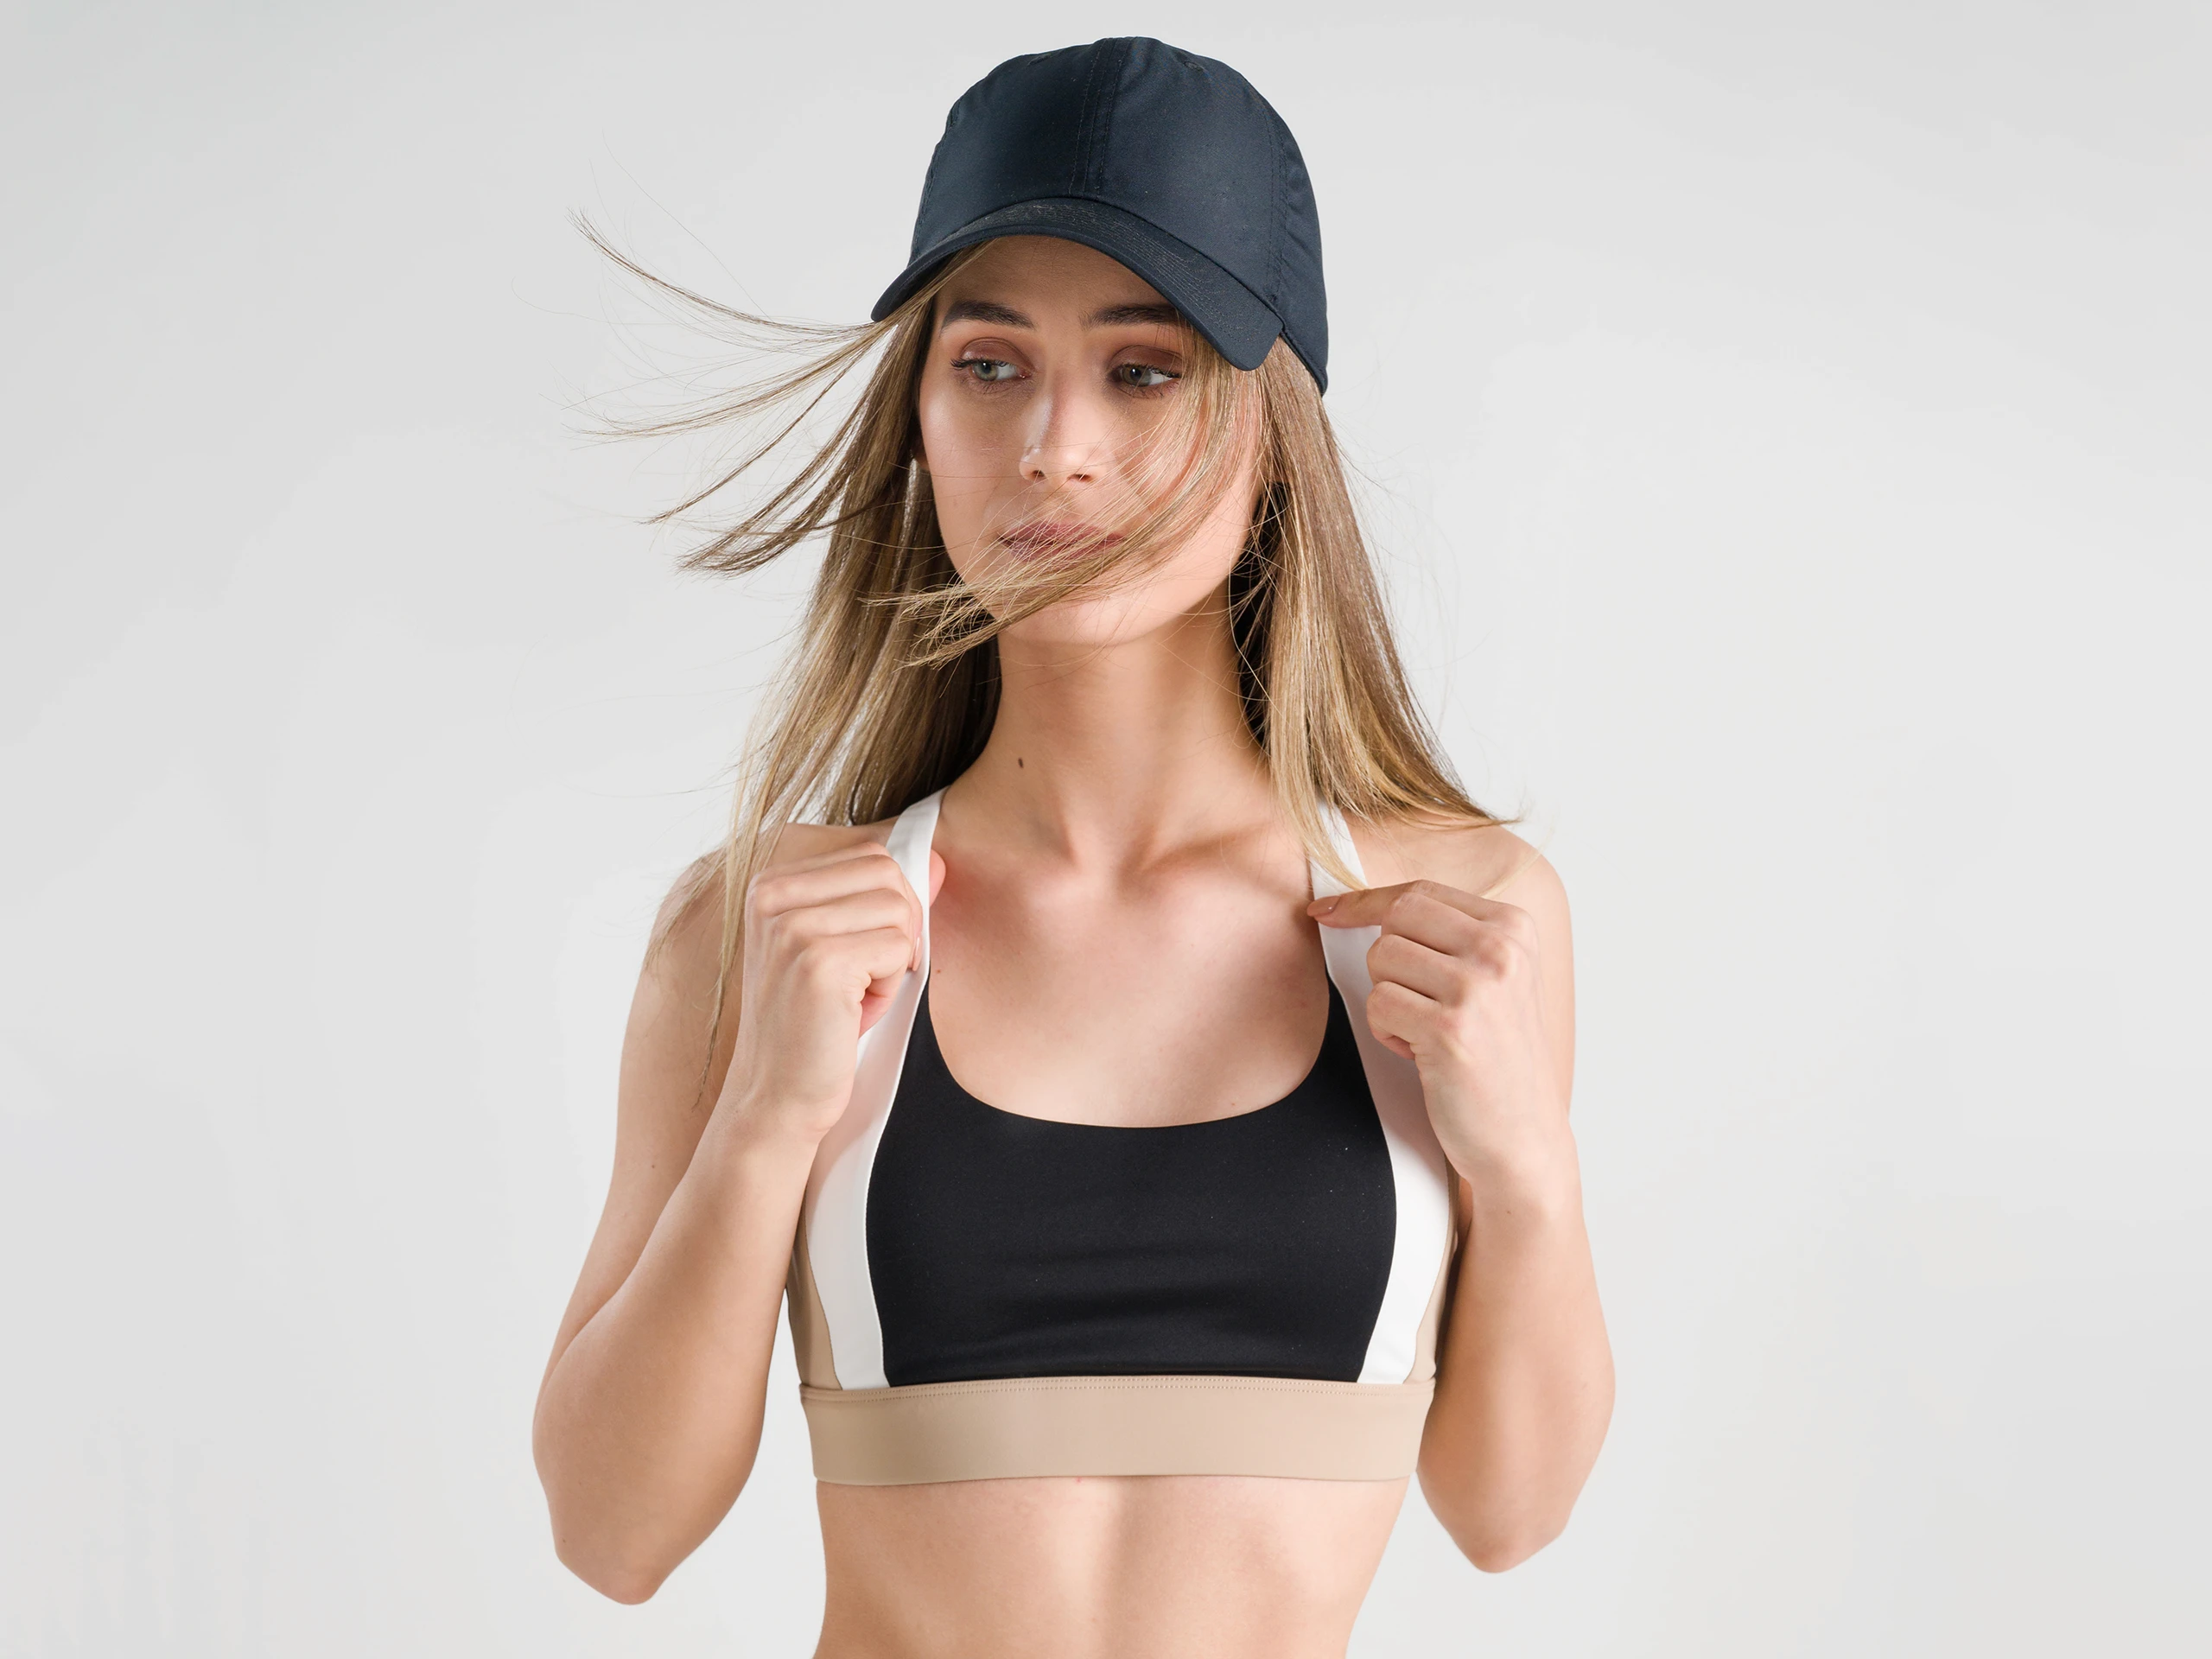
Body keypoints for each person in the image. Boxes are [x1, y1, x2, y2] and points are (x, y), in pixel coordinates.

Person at [532, 36, 1613, 1656]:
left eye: (1142, 367)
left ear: (1273, 425)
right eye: (987, 365)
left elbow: (1509, 1513)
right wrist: (763, 1121)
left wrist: (1527, 1177)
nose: (1056, 446)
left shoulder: (1456, 921)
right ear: (918, 416)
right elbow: (613, 1538)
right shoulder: (761, 927)